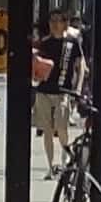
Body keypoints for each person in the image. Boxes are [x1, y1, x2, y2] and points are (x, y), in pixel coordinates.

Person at [38, 10, 85, 163]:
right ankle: (50, 165)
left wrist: (78, 87)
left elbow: (81, 65)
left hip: (63, 91)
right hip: (44, 90)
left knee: (62, 127)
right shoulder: (44, 43)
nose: (55, 24)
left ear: (65, 24)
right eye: (52, 21)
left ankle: (65, 159)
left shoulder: (71, 43)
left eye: (58, 21)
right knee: (47, 129)